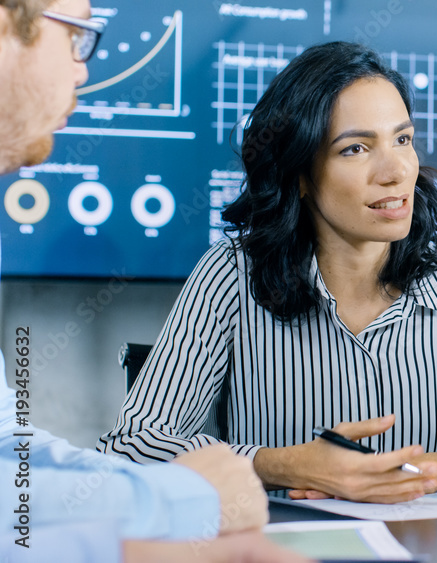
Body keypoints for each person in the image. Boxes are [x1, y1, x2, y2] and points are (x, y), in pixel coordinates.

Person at [98, 41, 437, 502]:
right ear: (300, 174)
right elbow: (132, 445)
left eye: (403, 139)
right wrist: (285, 465)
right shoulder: (231, 277)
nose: (395, 170)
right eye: (356, 148)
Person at [0, 1, 307, 561]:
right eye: (75, 36)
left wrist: (187, 491)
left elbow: (9, 456)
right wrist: (189, 495)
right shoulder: (228, 270)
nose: (82, 70)